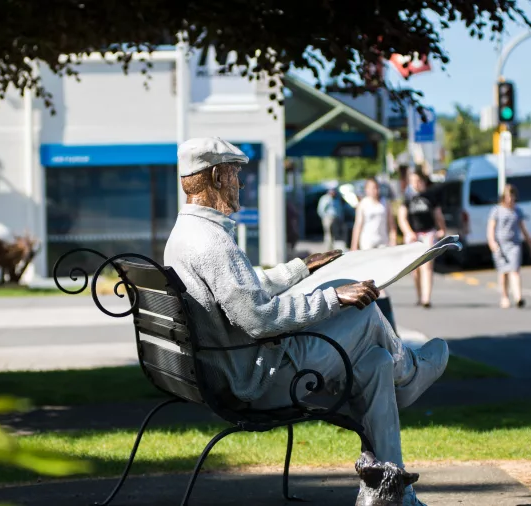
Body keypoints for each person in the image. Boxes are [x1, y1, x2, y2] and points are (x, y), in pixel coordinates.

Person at [164, 137, 449, 505]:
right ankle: (409, 374)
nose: (240, 183)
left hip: (231, 371)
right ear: (217, 176)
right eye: (235, 174)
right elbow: (260, 319)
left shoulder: (187, 236)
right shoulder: (212, 243)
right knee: (366, 312)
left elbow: (246, 288)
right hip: (259, 381)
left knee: (374, 364)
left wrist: (301, 268)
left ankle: (392, 495)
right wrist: (332, 297)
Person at [397, 169, 446, 308]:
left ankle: (426, 298)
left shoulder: (430, 196)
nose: (416, 184)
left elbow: (438, 214)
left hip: (428, 232)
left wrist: (442, 229)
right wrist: (408, 232)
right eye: (413, 181)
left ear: (423, 181)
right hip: (414, 234)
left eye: (418, 181)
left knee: (427, 266)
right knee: (415, 269)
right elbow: (402, 218)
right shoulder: (407, 197)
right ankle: (419, 295)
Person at [487, 184, 531, 309]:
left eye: (513, 197)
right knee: (503, 272)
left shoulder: (517, 211)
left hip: (514, 244)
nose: (511, 199)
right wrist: (492, 243)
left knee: (514, 270)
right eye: (508, 197)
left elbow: (523, 229)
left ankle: (518, 297)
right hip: (500, 245)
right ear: (504, 197)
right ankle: (504, 296)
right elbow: (491, 229)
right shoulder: (497, 210)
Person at [350, 178, 397, 251]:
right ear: (366, 189)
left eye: (375, 187)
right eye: (371, 188)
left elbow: (391, 224)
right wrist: (354, 245)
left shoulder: (385, 203)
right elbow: (358, 225)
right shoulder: (363, 204)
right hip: (367, 242)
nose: (373, 190)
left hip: (383, 241)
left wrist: (393, 239)